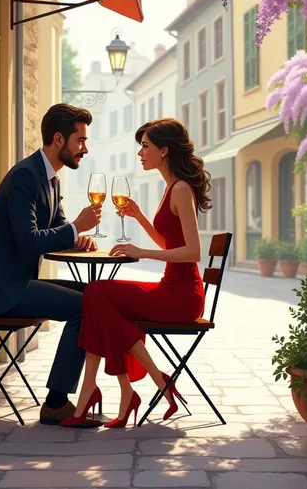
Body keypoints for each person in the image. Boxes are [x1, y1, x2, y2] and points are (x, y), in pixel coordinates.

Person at [60, 118, 211, 429]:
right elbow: (170, 242)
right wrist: (139, 215)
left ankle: (127, 388)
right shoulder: (172, 187)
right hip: (172, 289)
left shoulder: (180, 188)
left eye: (145, 146)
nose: (140, 153)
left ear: (164, 150)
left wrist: (141, 252)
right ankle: (130, 391)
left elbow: (194, 252)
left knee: (97, 293)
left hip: (182, 296)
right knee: (99, 298)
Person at [0, 103, 102, 425]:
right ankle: (56, 402)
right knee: (85, 307)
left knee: (96, 294)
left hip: (17, 282)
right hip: (2, 290)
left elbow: (60, 230)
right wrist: (76, 227)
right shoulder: (26, 175)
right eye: (80, 141)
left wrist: (79, 237)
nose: (85, 149)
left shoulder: (51, 179)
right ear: (58, 139)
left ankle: (79, 391)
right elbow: (29, 239)